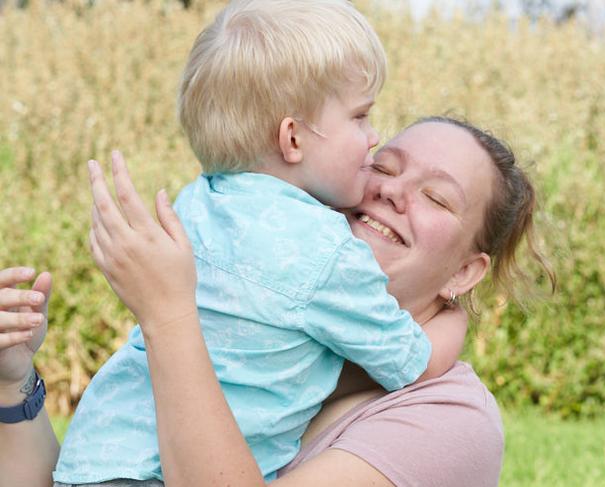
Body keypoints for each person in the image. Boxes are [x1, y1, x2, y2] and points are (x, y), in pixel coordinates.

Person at [29, 1, 468, 484]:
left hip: (94, 456)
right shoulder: (326, 253)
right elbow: (415, 365)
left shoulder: (198, 201)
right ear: (293, 140)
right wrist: (455, 317)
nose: (373, 138)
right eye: (361, 116)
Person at [0, 116, 555, 486]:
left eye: (435, 196)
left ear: (464, 272)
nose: (390, 189)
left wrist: (170, 319)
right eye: (382, 167)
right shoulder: (251, 330)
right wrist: (12, 382)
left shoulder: (450, 421)